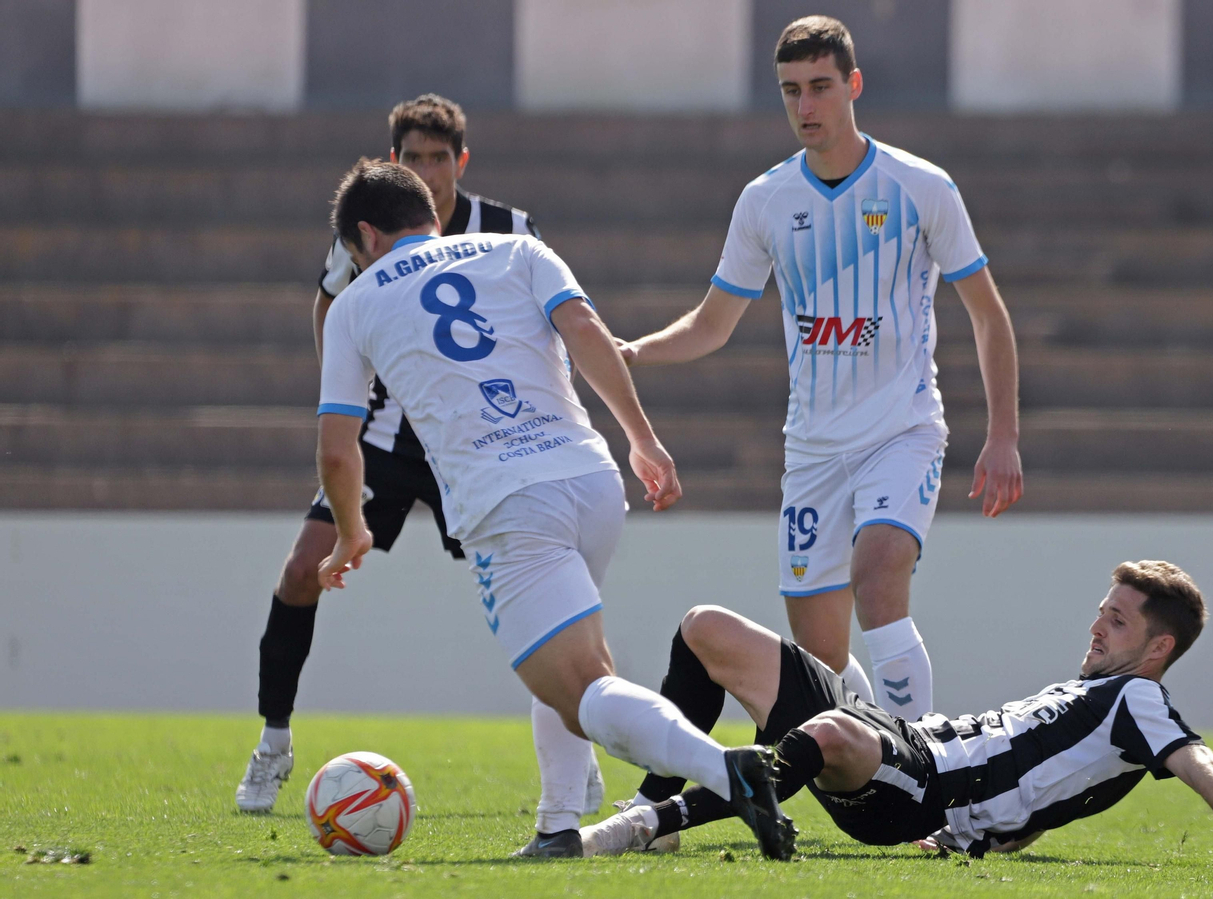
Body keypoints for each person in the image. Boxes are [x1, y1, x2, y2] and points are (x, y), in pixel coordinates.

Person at [310, 160, 796, 860]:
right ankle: (558, 824)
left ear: (364, 236)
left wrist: (351, 530)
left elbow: (337, 445)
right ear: (431, 216)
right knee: (566, 658)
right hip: (590, 477)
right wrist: (643, 438)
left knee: (580, 685)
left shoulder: (355, 303)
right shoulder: (517, 247)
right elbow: (586, 330)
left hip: (506, 502)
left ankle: (726, 770)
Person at [619, 15, 1022, 752]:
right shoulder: (766, 201)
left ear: (853, 86)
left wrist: (1002, 435)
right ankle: (882, 754)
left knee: (877, 580)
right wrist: (635, 353)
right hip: (812, 452)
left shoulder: (919, 186)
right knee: (821, 661)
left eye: (820, 88)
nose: (806, 106)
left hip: (901, 431)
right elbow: (712, 324)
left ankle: (928, 771)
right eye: (791, 92)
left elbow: (989, 316)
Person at [235, 94, 609, 829]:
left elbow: (551, 324)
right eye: (414, 158)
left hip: (480, 441)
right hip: (385, 442)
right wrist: (343, 385)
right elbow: (328, 305)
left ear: (460, 163)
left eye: (441, 158)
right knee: (300, 569)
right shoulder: (365, 238)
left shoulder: (509, 230)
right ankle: (273, 740)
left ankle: (583, 738)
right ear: (394, 163)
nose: (429, 171)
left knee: (543, 582)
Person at [583, 561, 1213, 869]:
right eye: (1101, 612)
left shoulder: (1141, 700)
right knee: (705, 628)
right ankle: (667, 802)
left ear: (1160, 647)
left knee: (827, 735)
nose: (1098, 628)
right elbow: (1049, 789)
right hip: (906, 740)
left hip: (920, 791)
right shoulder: (1094, 696)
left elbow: (1199, 760)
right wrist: (998, 834)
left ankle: (641, 826)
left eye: (1118, 621)